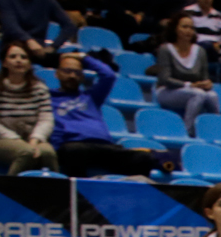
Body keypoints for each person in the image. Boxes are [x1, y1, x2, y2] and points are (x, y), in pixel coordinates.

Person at [51, 49, 160, 178]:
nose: (72, 76)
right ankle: (81, 196)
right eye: (67, 71)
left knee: (144, 158)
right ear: (57, 74)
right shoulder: (48, 98)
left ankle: (130, 196)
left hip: (104, 147)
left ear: (82, 77)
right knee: (73, 151)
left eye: (77, 73)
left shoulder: (91, 96)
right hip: (74, 147)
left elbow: (108, 75)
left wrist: (84, 58)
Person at [0, 42, 59, 173]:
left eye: (24, 57)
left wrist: (34, 140)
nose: (19, 60)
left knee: (48, 153)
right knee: (26, 152)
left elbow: (46, 119)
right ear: (4, 63)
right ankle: (11, 190)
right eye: (13, 57)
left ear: (30, 63)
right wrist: (19, 141)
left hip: (32, 139)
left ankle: (56, 190)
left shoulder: (40, 88)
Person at [155, 13, 221, 130]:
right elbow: (164, 79)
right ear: (175, 29)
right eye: (184, 27)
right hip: (167, 91)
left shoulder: (200, 51)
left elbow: (204, 77)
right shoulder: (165, 49)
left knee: (212, 95)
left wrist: (207, 83)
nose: (188, 31)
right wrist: (189, 85)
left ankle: (215, 129)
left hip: (193, 89)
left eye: (191, 28)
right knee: (198, 94)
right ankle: (187, 130)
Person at [0, 0, 71, 65]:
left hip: (39, 52)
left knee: (70, 62)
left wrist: (53, 47)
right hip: (13, 49)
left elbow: (69, 26)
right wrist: (29, 41)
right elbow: (11, 26)